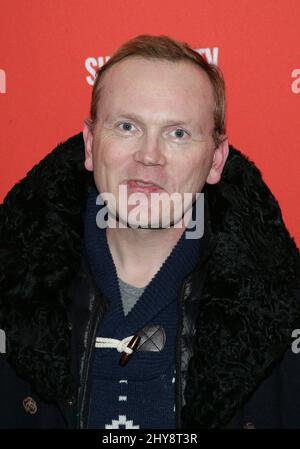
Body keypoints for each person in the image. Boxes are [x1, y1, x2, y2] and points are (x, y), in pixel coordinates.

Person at [0, 34, 299, 429]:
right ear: (90, 145)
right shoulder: (10, 291)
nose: (149, 156)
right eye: (127, 126)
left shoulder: (283, 314)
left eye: (178, 133)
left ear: (216, 160)